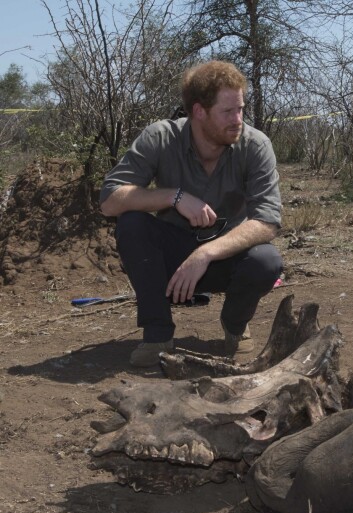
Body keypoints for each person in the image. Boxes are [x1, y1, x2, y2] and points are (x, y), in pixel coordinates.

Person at [100, 60, 283, 367]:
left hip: (225, 257)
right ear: (199, 111)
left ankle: (235, 327)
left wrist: (206, 253)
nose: (238, 119)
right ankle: (157, 335)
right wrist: (174, 196)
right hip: (172, 262)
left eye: (240, 109)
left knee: (267, 260)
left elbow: (267, 221)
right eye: (228, 112)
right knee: (132, 224)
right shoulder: (160, 137)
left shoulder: (255, 145)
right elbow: (109, 201)